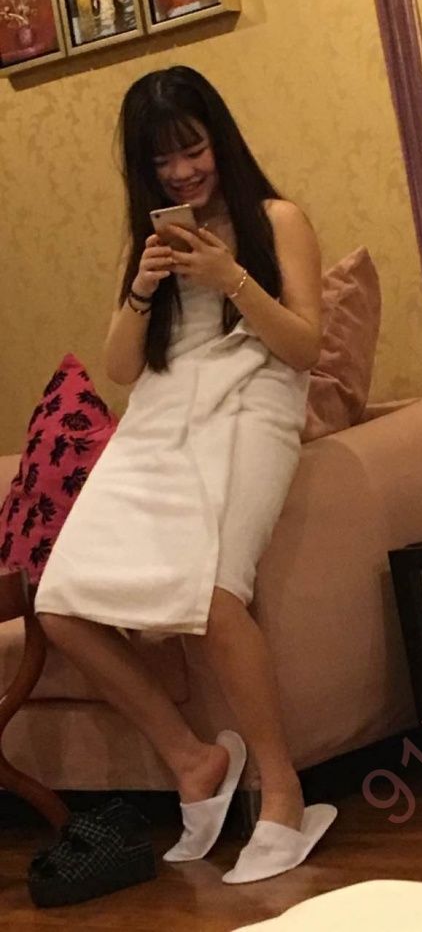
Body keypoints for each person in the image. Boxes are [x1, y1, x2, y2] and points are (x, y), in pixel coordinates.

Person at [33, 65, 337, 884]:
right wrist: (143, 286)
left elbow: (305, 347)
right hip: (162, 413)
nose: (180, 172)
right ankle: (192, 759)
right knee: (60, 604)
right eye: (161, 160)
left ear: (219, 140)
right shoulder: (152, 241)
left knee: (213, 595)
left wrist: (231, 278)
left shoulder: (277, 219)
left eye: (192, 150)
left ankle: (283, 791)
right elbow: (122, 369)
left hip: (253, 400)